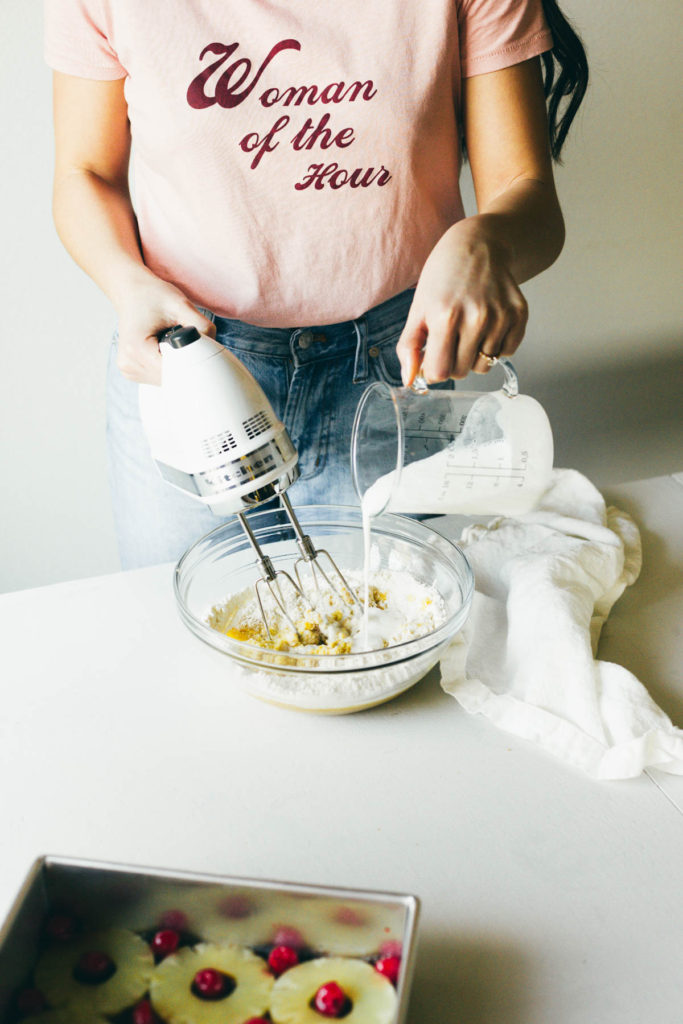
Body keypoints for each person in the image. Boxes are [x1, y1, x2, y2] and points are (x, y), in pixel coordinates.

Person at [44, 0, 588, 569]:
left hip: (394, 380)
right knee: (182, 635)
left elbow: (527, 192)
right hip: (189, 371)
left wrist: (484, 244)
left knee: (395, 635)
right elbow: (86, 172)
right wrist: (127, 284)